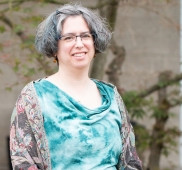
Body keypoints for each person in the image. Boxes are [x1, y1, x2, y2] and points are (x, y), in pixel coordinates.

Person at [10, 3, 143, 170]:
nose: (79, 44)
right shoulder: (34, 97)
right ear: (54, 46)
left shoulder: (112, 95)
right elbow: (24, 163)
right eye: (69, 37)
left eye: (85, 36)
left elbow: (130, 162)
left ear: (94, 42)